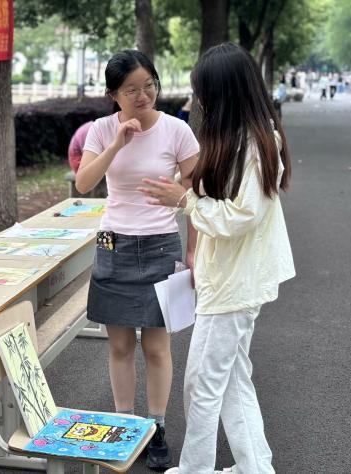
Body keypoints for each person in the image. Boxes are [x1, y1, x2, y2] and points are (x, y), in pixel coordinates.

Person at [140, 42, 295, 474]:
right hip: (229, 277)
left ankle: (195, 469)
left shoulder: (255, 144)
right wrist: (182, 190)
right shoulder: (241, 137)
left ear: (224, 93)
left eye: (203, 91)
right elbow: (219, 201)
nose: (199, 101)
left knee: (202, 383)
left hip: (235, 283)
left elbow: (240, 217)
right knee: (231, 381)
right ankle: (255, 467)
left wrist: (186, 200)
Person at [76, 49, 199, 470]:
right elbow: (84, 182)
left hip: (161, 244)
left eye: (149, 86)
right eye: (131, 90)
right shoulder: (100, 130)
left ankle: (157, 426)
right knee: (120, 344)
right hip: (114, 244)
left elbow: (196, 195)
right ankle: (126, 424)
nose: (143, 96)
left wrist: (192, 250)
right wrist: (117, 143)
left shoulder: (177, 131)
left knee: (158, 346)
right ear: (114, 95)